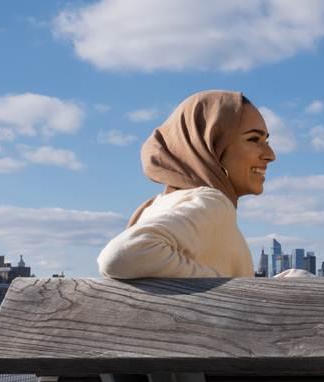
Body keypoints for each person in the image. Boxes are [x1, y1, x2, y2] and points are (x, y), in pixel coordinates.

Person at [98, 90, 275, 278]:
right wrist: (223, 287)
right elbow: (119, 257)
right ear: (211, 144)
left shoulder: (155, 206)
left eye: (266, 141)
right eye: (253, 139)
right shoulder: (213, 203)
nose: (270, 155)